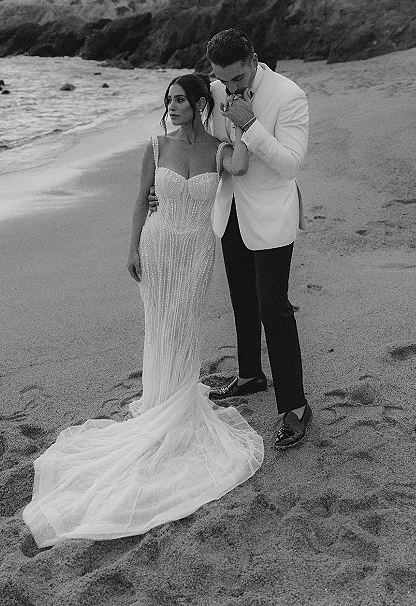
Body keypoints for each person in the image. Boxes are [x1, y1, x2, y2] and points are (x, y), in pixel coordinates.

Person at [22, 73, 263, 546]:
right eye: (168, 100)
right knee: (160, 330)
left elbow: (243, 165)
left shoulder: (218, 148)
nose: (172, 107)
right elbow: (139, 202)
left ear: (199, 103)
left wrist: (242, 122)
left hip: (196, 251)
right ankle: (160, 404)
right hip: (157, 249)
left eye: (180, 100)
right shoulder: (154, 147)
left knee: (184, 328)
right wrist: (131, 247)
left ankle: (176, 402)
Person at [204, 29, 310, 450]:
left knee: (274, 308)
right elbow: (213, 137)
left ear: (253, 60)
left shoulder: (289, 96)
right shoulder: (215, 88)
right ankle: (249, 374)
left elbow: (290, 165)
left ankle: (296, 407)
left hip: (270, 216)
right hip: (230, 210)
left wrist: (249, 124)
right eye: (221, 79)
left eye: (235, 78)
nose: (229, 87)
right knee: (242, 298)